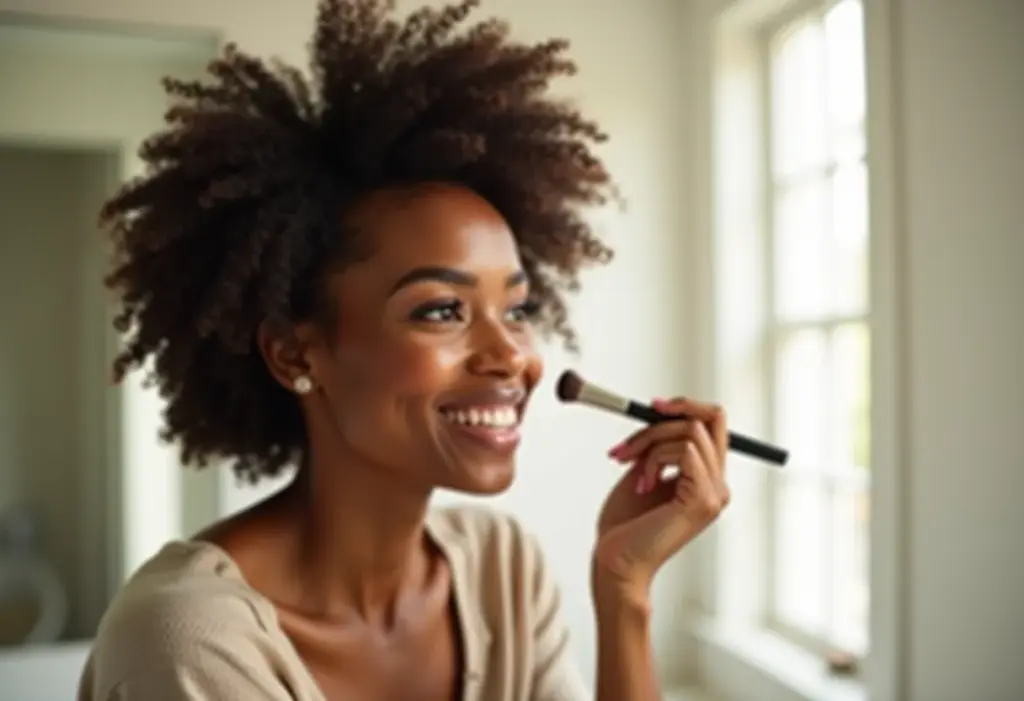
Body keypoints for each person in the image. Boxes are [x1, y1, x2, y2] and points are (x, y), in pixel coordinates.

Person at [76, 1, 731, 699]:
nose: (512, 355)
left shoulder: (499, 569)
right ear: (296, 355)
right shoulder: (187, 639)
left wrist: (624, 587)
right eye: (442, 310)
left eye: (516, 308)